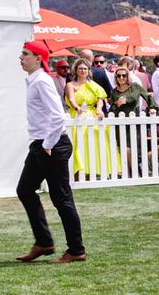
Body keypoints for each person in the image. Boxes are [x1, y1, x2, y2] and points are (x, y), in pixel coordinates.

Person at [16, 41, 85, 263]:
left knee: (61, 199)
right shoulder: (34, 81)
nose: (21, 58)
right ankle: (44, 242)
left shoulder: (42, 82)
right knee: (25, 190)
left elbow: (58, 116)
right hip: (41, 144)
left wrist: (47, 144)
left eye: (25, 54)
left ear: (38, 58)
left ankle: (76, 250)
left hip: (52, 145)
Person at [64, 58, 112, 179]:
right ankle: (77, 171)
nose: (83, 71)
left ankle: (93, 170)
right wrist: (76, 107)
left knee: (95, 141)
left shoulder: (93, 85)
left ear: (88, 70)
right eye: (80, 68)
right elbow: (71, 99)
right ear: (76, 70)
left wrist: (99, 109)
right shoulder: (70, 84)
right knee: (78, 143)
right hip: (77, 115)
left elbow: (100, 98)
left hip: (92, 114)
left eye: (85, 68)